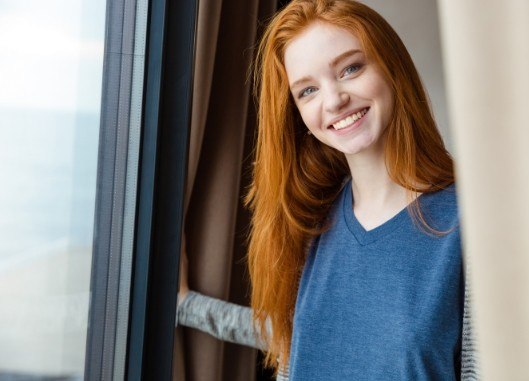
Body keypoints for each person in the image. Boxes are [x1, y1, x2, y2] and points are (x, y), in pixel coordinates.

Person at [178, 0, 479, 379]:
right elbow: (304, 337)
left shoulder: (471, 224)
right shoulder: (311, 223)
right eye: (307, 91)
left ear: (392, 67)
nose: (334, 100)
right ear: (299, 115)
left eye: (350, 68)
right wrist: (187, 305)